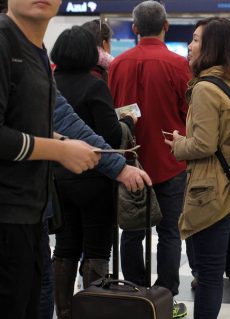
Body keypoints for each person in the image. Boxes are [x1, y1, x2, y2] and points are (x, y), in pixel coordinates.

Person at [0, 2, 148, 318]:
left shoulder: (36, 51)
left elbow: (59, 120)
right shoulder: (5, 42)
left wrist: (114, 165)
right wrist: (61, 151)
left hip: (34, 212)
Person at [166, 17, 230, 319]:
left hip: (214, 194)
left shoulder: (206, 88)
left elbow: (204, 145)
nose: (190, 45)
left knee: (208, 275)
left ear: (212, 47)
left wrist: (179, 144)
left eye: (195, 39)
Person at [108, 2, 190, 317]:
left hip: (129, 162)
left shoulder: (117, 65)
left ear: (134, 28)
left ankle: (135, 290)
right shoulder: (178, 65)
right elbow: (189, 115)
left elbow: (110, 114)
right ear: (166, 26)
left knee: (131, 231)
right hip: (170, 162)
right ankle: (166, 294)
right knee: (170, 231)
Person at [50, 25, 137, 319]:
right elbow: (111, 137)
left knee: (64, 248)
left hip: (59, 177)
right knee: (97, 249)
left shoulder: (50, 82)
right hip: (94, 179)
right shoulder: (94, 85)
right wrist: (127, 122)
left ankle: (63, 311)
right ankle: (93, 311)